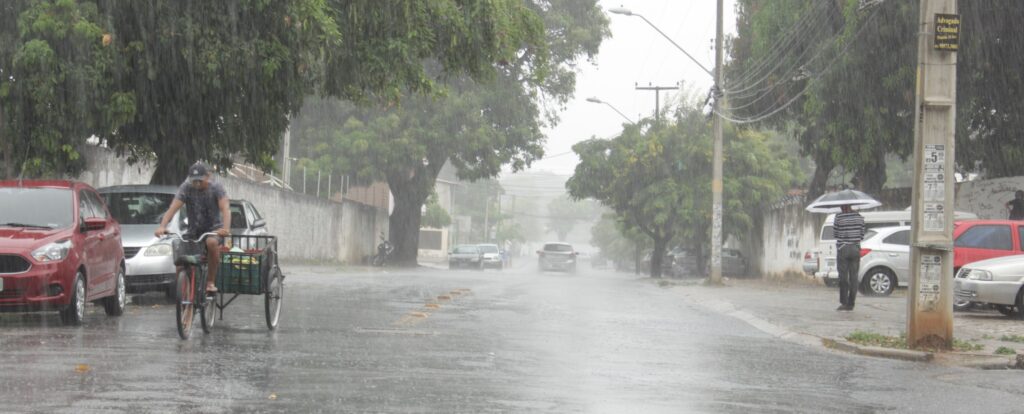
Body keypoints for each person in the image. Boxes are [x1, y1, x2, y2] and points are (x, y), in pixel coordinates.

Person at [155, 162, 231, 293]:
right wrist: (162, 226)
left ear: (207, 177)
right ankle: (186, 296)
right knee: (180, 258)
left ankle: (210, 282)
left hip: (214, 230)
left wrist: (226, 228)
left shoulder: (216, 188)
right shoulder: (186, 187)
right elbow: (173, 208)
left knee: (211, 242)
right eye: (194, 181)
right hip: (193, 231)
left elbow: (225, 208)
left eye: (200, 181)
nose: (196, 184)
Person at [834, 204, 865, 311]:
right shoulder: (859, 217)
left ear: (842, 206)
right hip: (856, 249)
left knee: (843, 277)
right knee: (854, 277)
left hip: (843, 249)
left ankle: (844, 302)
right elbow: (862, 235)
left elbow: (835, 234)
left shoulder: (838, 217)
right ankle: (851, 303)